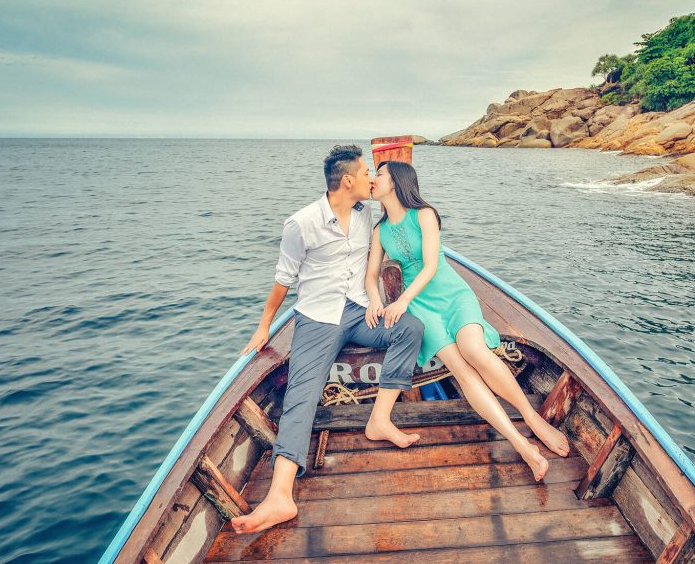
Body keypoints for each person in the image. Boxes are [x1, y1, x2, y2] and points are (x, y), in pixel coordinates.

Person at [230, 146, 425, 534]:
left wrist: (376, 301)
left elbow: (398, 204)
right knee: (303, 393)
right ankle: (280, 495)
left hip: (359, 312)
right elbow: (283, 281)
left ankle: (380, 421)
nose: (372, 177)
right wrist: (264, 325)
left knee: (411, 328)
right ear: (348, 180)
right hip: (317, 320)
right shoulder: (301, 224)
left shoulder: (365, 211)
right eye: (366, 172)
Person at [365, 160, 571, 482]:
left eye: (378, 174)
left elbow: (431, 265)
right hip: (422, 307)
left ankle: (532, 420)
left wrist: (401, 299)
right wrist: (376, 300)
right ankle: (521, 445)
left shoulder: (425, 215)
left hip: (451, 294)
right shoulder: (379, 231)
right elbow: (371, 276)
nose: (373, 180)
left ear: (397, 182)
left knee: (474, 351)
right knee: (461, 370)